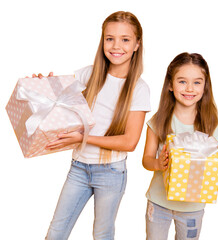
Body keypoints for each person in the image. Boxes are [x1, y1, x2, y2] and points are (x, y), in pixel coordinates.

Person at [34, 11, 150, 239]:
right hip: (79, 167)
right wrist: (42, 86)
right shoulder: (88, 74)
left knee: (102, 234)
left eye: (125, 39)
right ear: (103, 40)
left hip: (111, 172)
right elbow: (57, 102)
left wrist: (83, 138)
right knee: (56, 232)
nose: (116, 45)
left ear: (137, 44)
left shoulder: (139, 89)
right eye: (110, 38)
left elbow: (129, 142)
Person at [142, 52, 218, 240]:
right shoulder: (159, 121)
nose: (189, 88)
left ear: (205, 86)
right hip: (159, 202)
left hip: (192, 208)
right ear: (170, 85)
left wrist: (206, 164)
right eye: (182, 81)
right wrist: (158, 164)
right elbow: (146, 160)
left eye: (197, 82)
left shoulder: (210, 124)